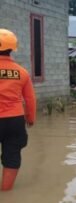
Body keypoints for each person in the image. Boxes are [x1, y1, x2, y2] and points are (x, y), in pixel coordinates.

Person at [0, 29, 36, 191]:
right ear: (12, 48)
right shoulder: (22, 72)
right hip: (14, 120)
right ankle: (6, 192)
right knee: (12, 155)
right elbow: (29, 99)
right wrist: (30, 119)